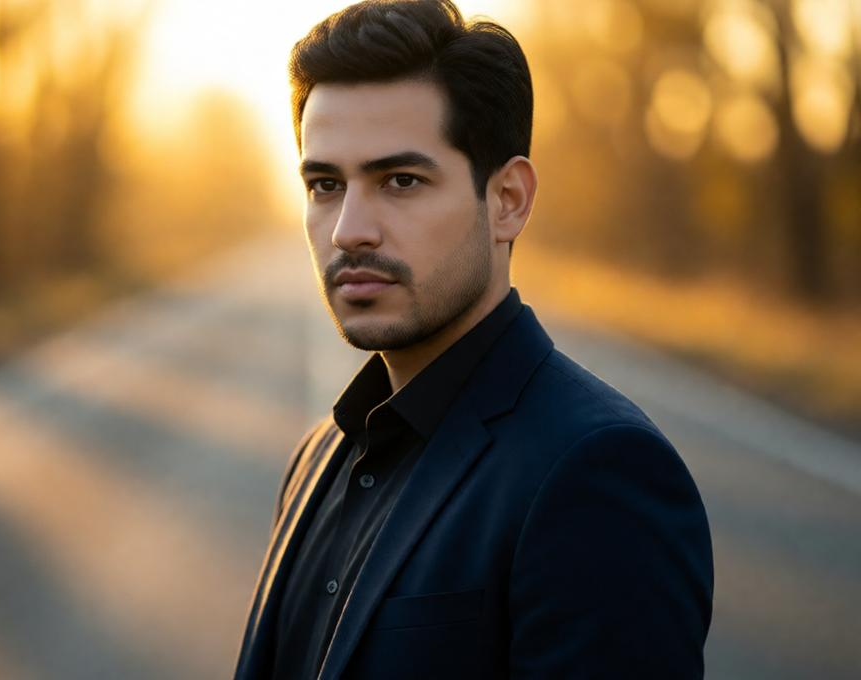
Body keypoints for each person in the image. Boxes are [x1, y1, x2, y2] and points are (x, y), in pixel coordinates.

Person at [234, 1, 714, 678]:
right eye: (325, 184)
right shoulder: (318, 456)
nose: (348, 229)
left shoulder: (597, 473)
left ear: (509, 200)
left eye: (401, 181)